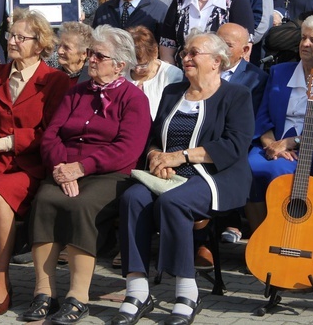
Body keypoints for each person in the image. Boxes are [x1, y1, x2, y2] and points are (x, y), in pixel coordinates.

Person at [114, 31, 254, 325]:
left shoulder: (236, 95)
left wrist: (181, 157)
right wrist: (155, 156)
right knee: (132, 198)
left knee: (173, 203)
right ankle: (137, 289)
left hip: (215, 176)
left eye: (193, 53)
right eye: (184, 53)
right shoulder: (172, 92)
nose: (185, 58)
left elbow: (235, 145)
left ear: (216, 62)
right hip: (165, 174)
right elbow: (153, 138)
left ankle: (186, 291)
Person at [22, 25, 151, 324]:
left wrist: (81, 169)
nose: (90, 59)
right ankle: (44, 292)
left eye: (98, 55)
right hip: (65, 169)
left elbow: (127, 150)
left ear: (119, 65)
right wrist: (61, 168)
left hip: (109, 174)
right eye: (90, 53)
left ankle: (78, 297)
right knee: (45, 200)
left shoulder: (133, 99)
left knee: (81, 206)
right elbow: (52, 135)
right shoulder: (76, 92)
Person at [0, 9, 70, 317]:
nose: (13, 41)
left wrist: (2, 143)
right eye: (11, 35)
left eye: (22, 37)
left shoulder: (55, 81)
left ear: (40, 44)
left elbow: (50, 131)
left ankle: (1, 279)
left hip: (30, 163)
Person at [245, 14, 313, 232]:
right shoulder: (280, 72)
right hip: (271, 144)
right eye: (303, 38)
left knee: (280, 172)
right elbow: (262, 115)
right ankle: (261, 237)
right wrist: (271, 143)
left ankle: (287, 236)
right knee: (247, 168)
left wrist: (292, 142)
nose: (305, 44)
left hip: (310, 149)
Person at [125, 25, 183, 120]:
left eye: (143, 65)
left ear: (155, 53)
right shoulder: (121, 73)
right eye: (132, 65)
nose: (137, 70)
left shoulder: (172, 75)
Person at [216, 23, 268, 114]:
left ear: (245, 50)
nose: (221, 49)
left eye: (228, 45)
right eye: (218, 43)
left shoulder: (256, 79)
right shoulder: (201, 68)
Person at [47, 21, 93, 87]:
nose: (59, 51)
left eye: (66, 48)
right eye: (59, 45)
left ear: (83, 54)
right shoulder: (50, 71)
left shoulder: (92, 79)